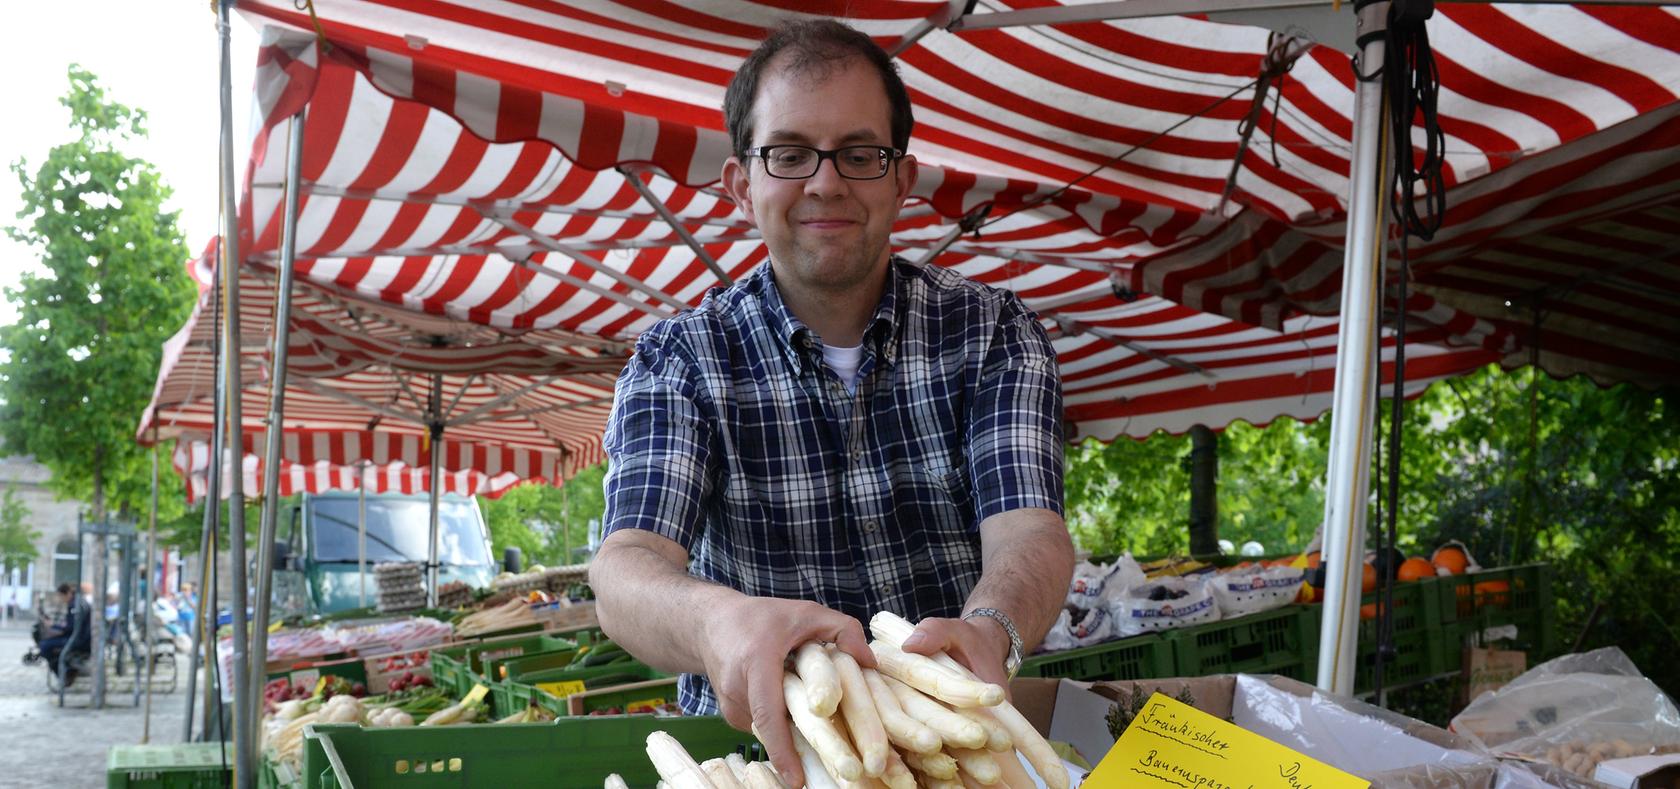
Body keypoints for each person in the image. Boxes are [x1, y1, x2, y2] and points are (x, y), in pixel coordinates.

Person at [589, 19, 1074, 787]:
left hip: (966, 755)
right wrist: (719, 621)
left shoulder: (991, 332)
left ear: (901, 179)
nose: (825, 182)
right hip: (759, 754)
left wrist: (995, 626)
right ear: (742, 183)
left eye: (859, 154)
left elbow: (1032, 530)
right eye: (788, 154)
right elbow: (625, 569)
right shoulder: (680, 361)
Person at [35, 583, 92, 681]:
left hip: (78, 640)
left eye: (61, 596)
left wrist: (53, 625)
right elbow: (73, 624)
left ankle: (65, 673)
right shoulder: (79, 602)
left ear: (67, 594)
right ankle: (66, 671)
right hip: (81, 638)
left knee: (44, 645)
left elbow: (70, 627)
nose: (61, 599)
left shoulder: (74, 606)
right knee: (49, 641)